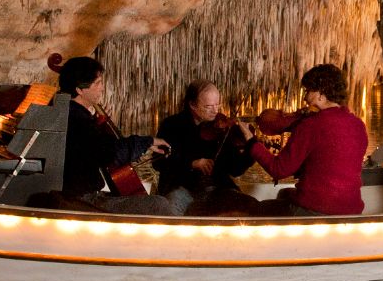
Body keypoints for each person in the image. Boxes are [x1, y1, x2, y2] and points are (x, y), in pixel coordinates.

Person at [54, 55, 184, 215]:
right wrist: (147, 142)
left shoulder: (66, 112)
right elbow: (110, 152)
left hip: (80, 196)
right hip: (80, 201)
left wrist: (96, 122)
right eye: (98, 83)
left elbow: (90, 147)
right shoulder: (77, 119)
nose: (102, 88)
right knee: (159, 204)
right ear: (80, 89)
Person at [235, 63, 368, 216]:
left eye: (308, 91)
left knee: (253, 210)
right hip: (352, 209)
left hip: (317, 209)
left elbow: (278, 170)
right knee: (285, 193)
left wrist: (252, 142)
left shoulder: (311, 125)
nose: (305, 97)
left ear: (321, 94)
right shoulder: (358, 125)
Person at [154, 80, 258, 215]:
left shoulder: (223, 129)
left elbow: (235, 170)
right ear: (192, 105)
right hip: (181, 187)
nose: (215, 111)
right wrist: (192, 163)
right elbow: (158, 161)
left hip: (218, 189)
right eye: (209, 106)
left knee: (248, 206)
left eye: (217, 104)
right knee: (170, 210)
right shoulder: (171, 125)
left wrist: (251, 149)